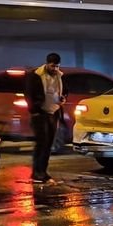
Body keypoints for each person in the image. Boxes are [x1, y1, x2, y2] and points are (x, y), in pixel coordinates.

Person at [25, 52, 65, 185]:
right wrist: (35, 109)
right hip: (40, 113)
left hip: (54, 112)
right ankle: (36, 172)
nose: (55, 69)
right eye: (53, 66)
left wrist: (63, 97)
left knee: (49, 144)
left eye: (57, 66)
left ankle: (43, 171)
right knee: (41, 142)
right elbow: (29, 94)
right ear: (47, 64)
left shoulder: (59, 76)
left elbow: (63, 90)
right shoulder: (36, 75)